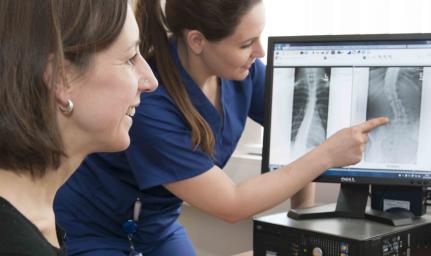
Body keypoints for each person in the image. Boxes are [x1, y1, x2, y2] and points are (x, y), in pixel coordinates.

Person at [54, 0, 388, 255]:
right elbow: (231, 204)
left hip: (157, 228)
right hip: (93, 228)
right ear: (198, 41)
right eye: (246, 44)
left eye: (259, 39)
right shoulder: (151, 101)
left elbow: (297, 141)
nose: (259, 52)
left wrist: (305, 222)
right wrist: (328, 155)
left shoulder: (246, 74)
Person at [0, 1, 157, 255]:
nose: (150, 80)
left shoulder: (36, 217)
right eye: (130, 58)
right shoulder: (13, 242)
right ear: (61, 79)